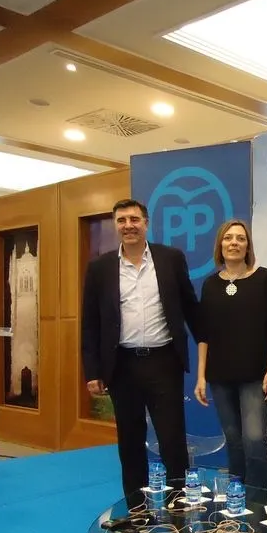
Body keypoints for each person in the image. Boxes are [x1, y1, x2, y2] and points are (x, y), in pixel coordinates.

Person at [81, 198, 201, 497]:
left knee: (172, 439)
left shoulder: (170, 259)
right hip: (121, 365)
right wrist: (92, 371)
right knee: (130, 440)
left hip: (164, 362)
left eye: (134, 219)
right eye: (122, 220)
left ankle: (178, 504)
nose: (128, 226)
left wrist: (211, 348)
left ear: (146, 223)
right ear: (115, 225)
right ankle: (136, 506)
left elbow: (190, 307)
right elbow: (90, 322)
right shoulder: (100, 268)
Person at [193, 219, 267, 491]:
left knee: (254, 440)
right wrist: (201, 376)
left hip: (255, 376)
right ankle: (238, 499)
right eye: (228, 238)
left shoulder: (264, 279)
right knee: (233, 440)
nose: (234, 242)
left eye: (240, 238)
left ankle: (259, 500)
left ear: (248, 246)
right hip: (220, 377)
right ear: (220, 245)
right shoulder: (210, 285)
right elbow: (204, 335)